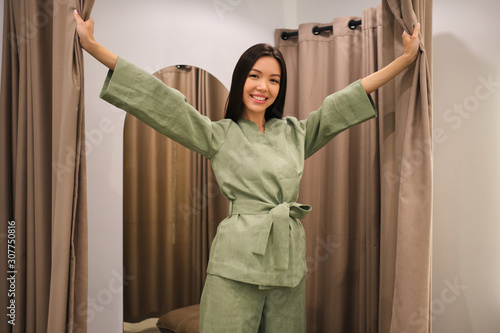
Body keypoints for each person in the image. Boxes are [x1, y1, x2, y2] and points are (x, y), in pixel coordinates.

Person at [74, 10, 420, 333]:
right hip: (235, 266)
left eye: (273, 80)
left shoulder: (295, 133)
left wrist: (404, 61)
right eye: (254, 76)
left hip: (287, 265)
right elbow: (162, 100)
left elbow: (342, 102)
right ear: (241, 79)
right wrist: (92, 47)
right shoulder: (219, 134)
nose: (262, 87)